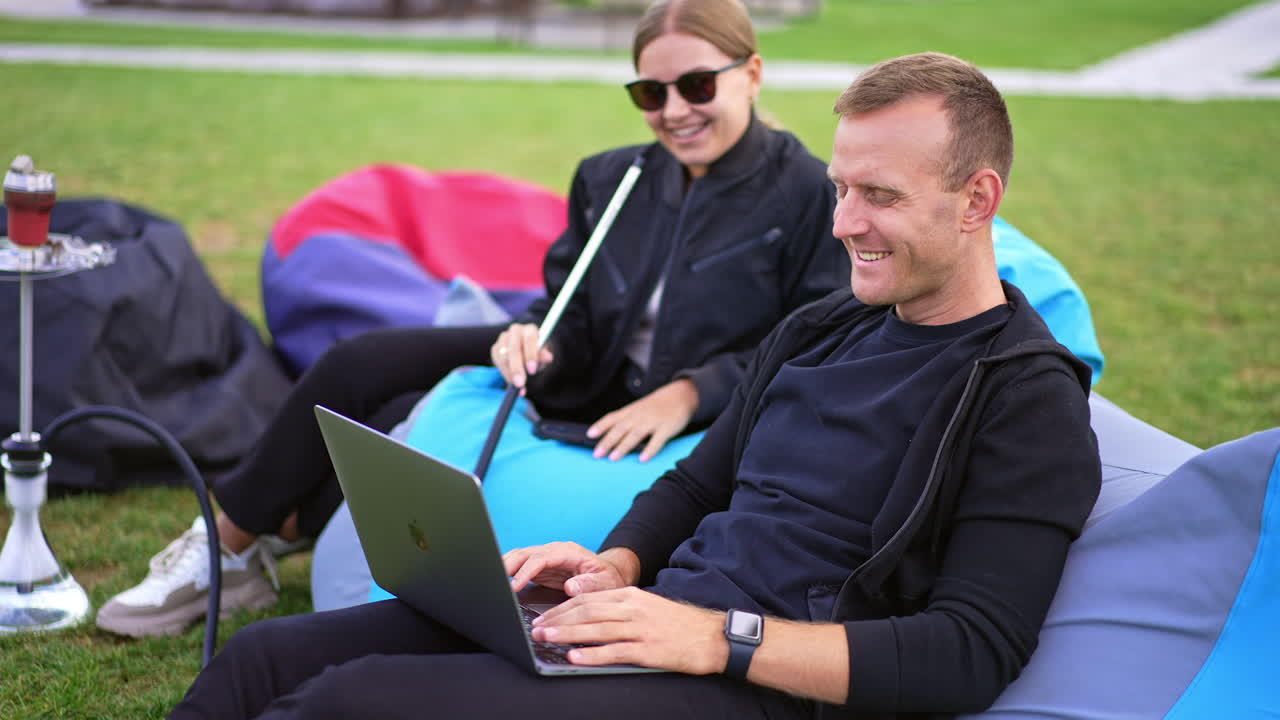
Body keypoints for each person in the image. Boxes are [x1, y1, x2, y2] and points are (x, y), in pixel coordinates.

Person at [166, 51, 1103, 719]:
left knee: (351, 703)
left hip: (752, 685)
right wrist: (612, 567)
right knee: (265, 657)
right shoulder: (822, 328)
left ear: (978, 199)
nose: (845, 222)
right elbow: (698, 486)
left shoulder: (1025, 398)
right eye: (840, 188)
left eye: (881, 196)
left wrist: (714, 639)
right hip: (646, 626)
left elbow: (971, 653)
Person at [95, 0, 848, 638]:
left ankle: (274, 536)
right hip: (582, 375)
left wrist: (691, 391)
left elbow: (811, 342)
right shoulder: (613, 175)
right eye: (650, 94)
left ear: (751, 73)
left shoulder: (808, 192)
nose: (674, 112)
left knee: (397, 414)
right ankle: (225, 546)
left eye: (693, 85)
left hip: (685, 421)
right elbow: (568, 303)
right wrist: (538, 333)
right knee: (360, 364)